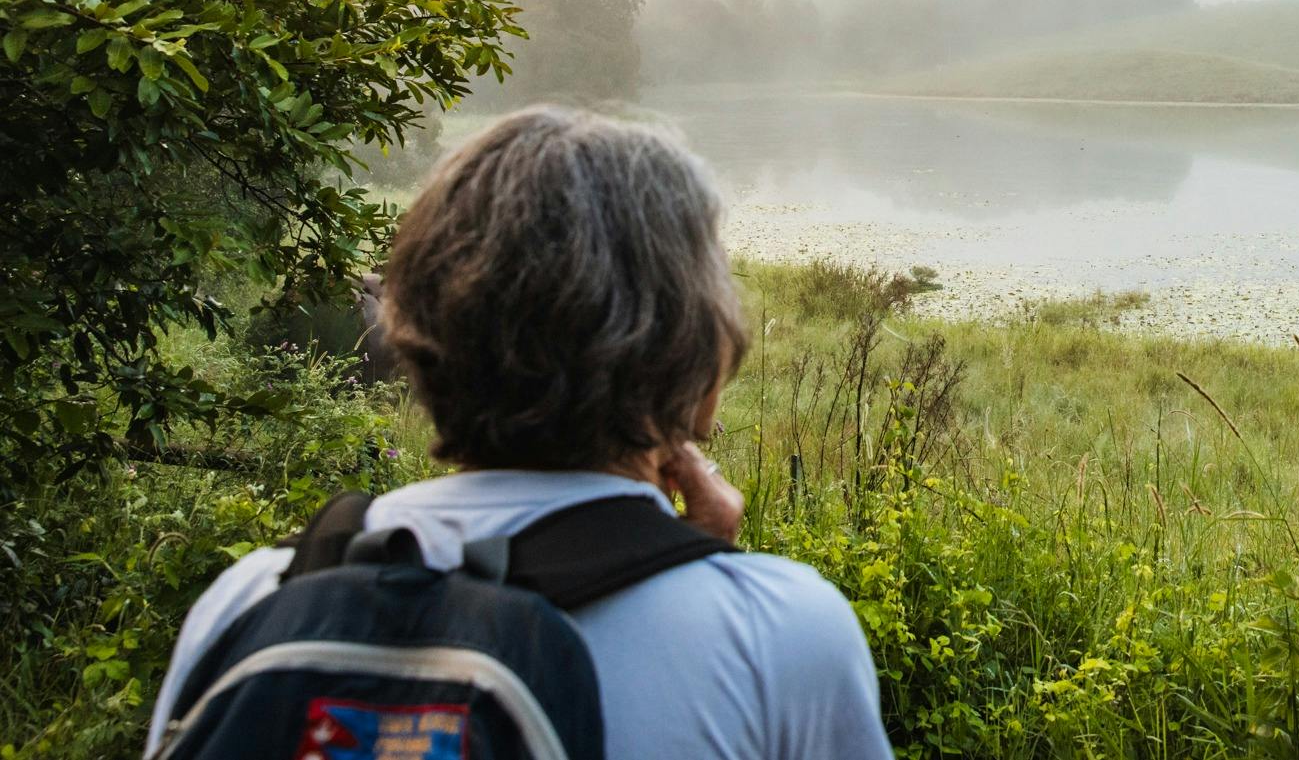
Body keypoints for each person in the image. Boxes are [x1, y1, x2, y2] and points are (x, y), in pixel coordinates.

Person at [146, 106, 892, 759]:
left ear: (419, 335)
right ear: (697, 368)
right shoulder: (785, 634)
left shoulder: (252, 597)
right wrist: (717, 587)